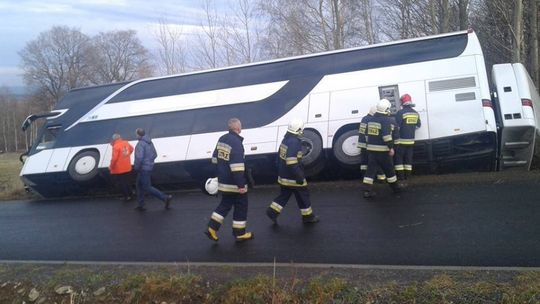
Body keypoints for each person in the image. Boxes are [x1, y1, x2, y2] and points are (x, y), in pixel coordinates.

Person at [205, 118, 253, 242]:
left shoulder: (222, 139)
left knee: (225, 205)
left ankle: (211, 227)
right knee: (241, 206)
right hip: (234, 184)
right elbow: (237, 167)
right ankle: (239, 233)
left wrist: (220, 172)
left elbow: (215, 159)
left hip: (223, 181)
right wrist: (241, 185)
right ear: (237, 128)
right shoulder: (236, 143)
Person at [266, 119, 320, 225]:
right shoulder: (294, 142)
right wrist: (299, 177)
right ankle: (308, 217)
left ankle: (272, 211)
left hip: (283, 176)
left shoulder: (285, 140)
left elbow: (279, 158)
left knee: (284, 195)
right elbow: (292, 162)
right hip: (293, 177)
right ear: (298, 130)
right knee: (303, 196)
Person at [362, 99, 401, 198]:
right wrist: (391, 148)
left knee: (370, 172)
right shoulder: (386, 120)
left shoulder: (370, 120)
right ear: (386, 109)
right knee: (390, 170)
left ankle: (367, 191)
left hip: (371, 151)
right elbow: (386, 136)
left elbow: (366, 135)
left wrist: (369, 145)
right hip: (383, 152)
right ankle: (396, 189)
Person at [133, 128, 172, 211]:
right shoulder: (150, 142)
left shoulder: (140, 144)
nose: (135, 135)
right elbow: (155, 154)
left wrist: (136, 167)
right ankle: (141, 204)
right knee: (139, 185)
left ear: (138, 135)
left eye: (136, 134)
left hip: (142, 168)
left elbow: (139, 158)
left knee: (147, 187)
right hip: (148, 167)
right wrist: (149, 162)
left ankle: (165, 198)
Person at [394, 94, 421, 185]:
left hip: (401, 141)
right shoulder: (415, 113)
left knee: (399, 159)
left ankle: (401, 178)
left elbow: (396, 126)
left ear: (402, 102)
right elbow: (418, 125)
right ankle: (408, 177)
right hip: (411, 141)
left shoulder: (400, 113)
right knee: (408, 159)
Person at [109, 133, 134, 201]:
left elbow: (114, 158)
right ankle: (131, 195)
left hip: (119, 168)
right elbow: (131, 149)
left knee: (122, 183)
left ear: (114, 139)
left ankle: (126, 196)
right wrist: (127, 155)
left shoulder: (116, 146)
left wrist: (111, 167)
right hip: (127, 166)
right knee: (128, 181)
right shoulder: (126, 142)